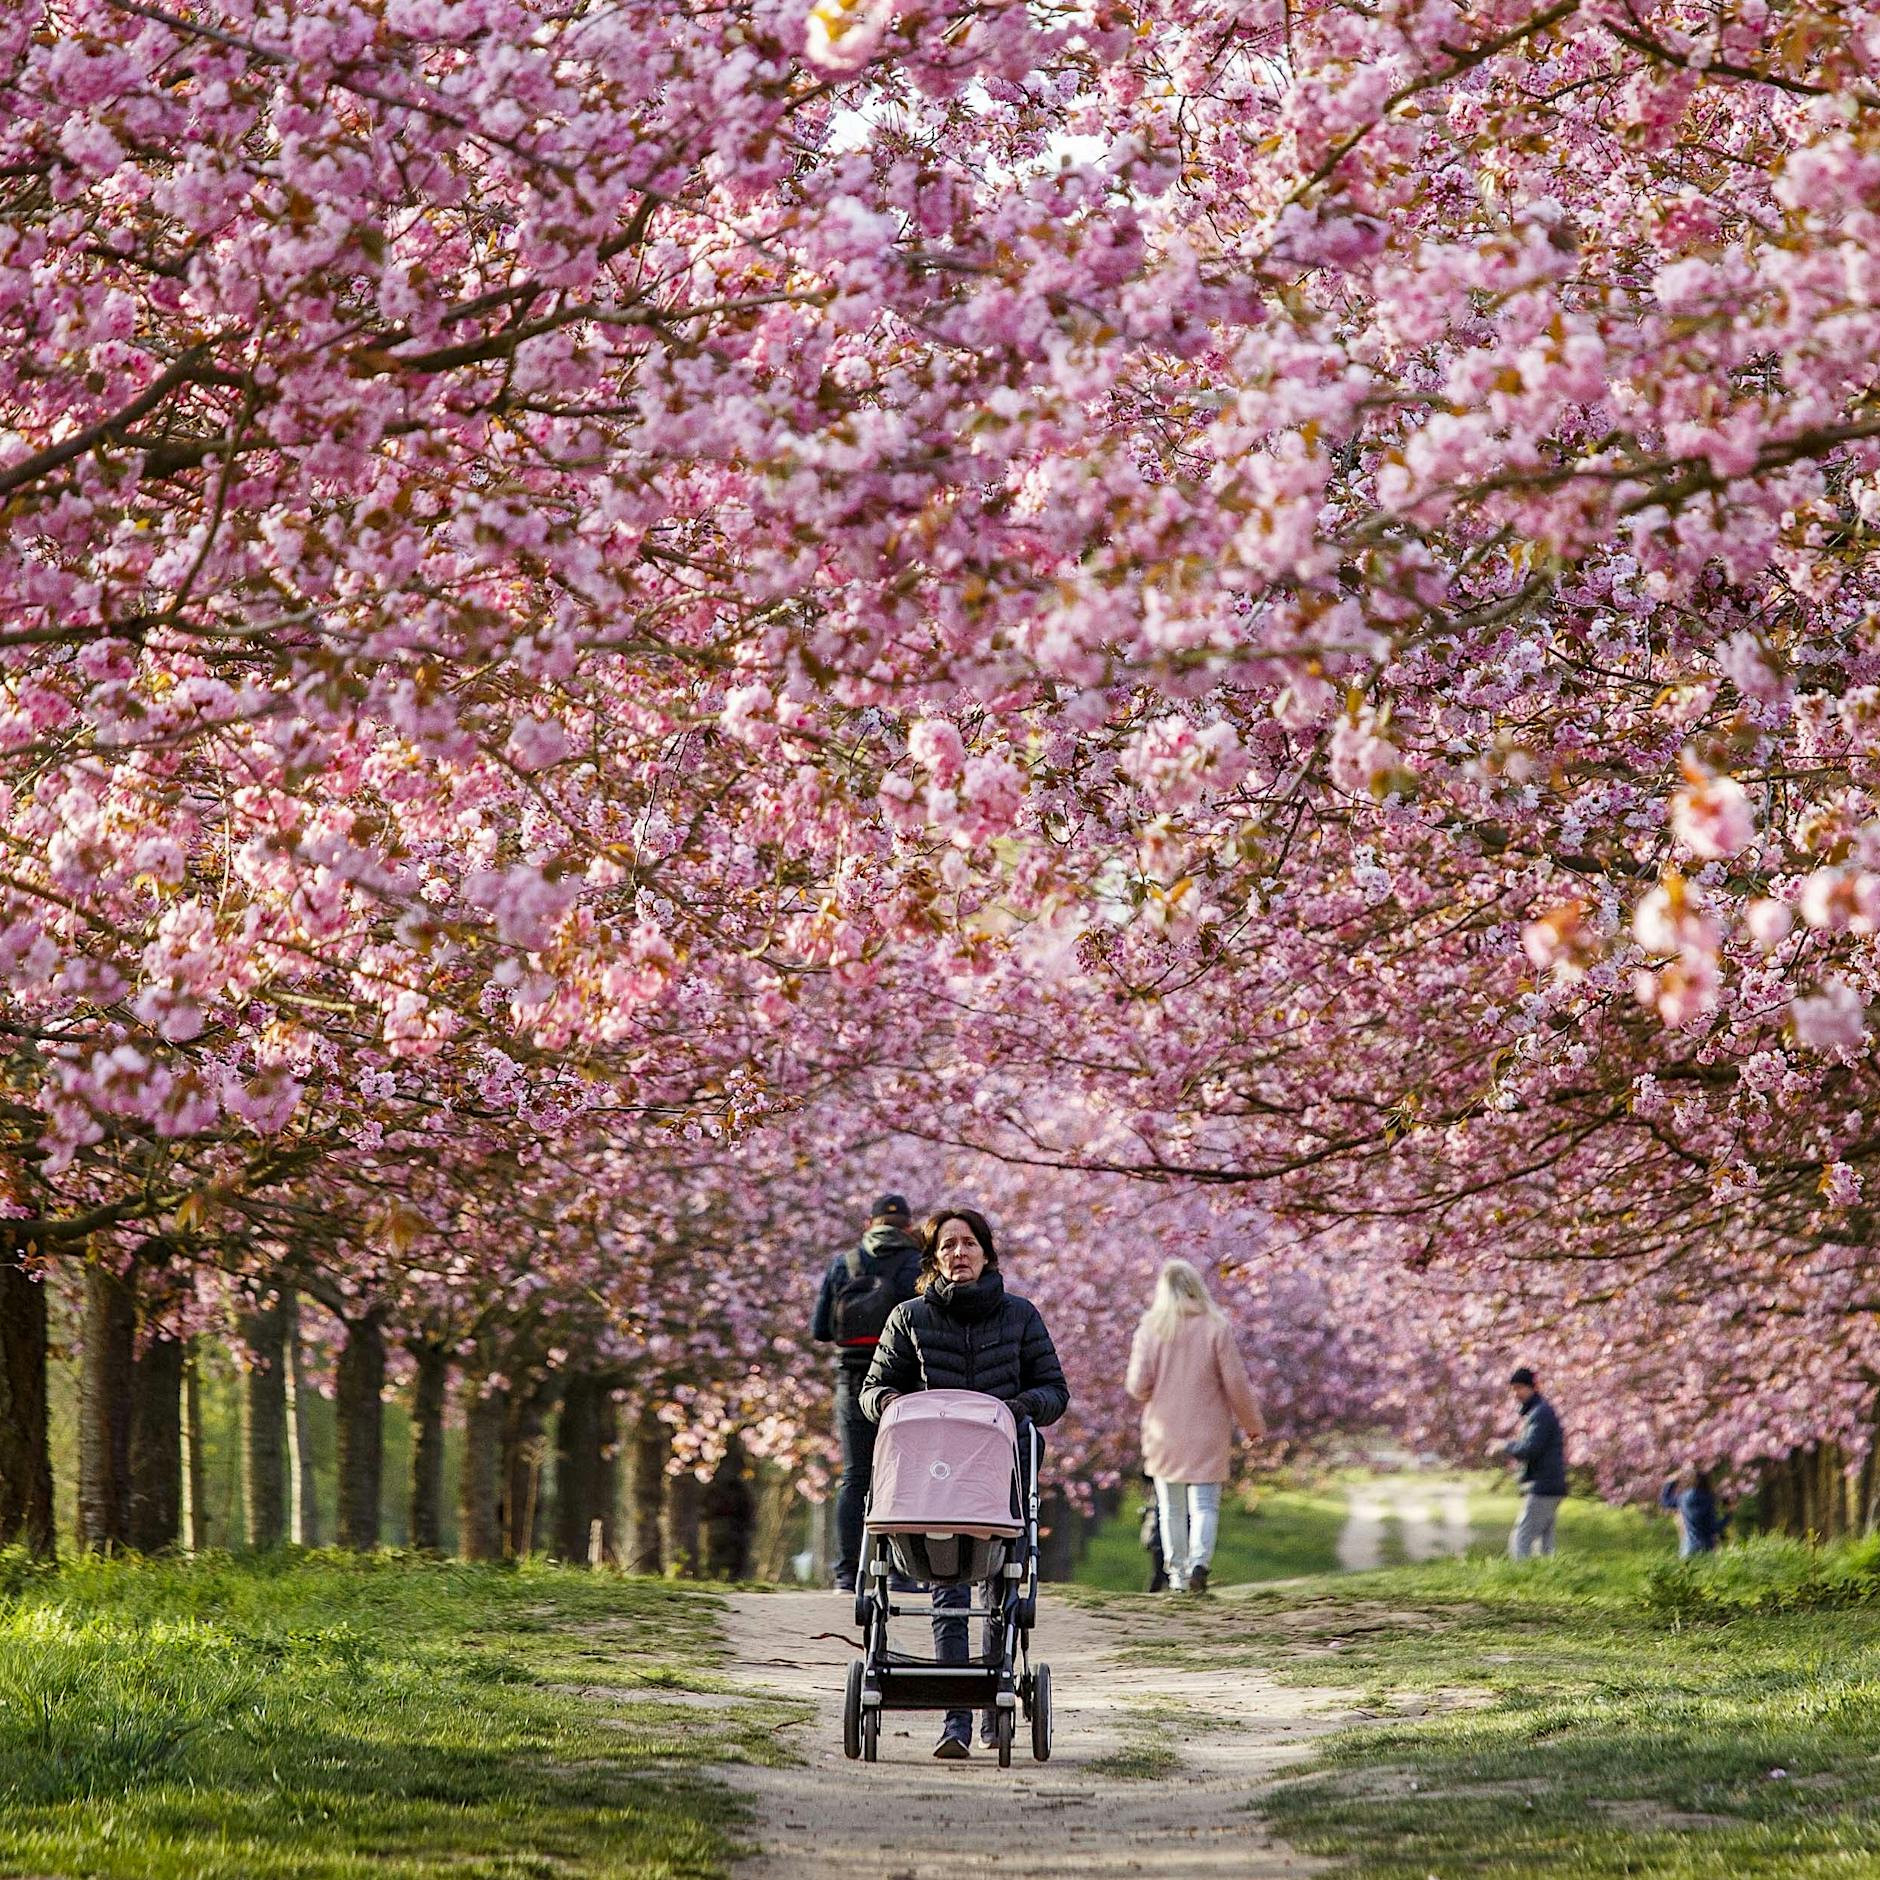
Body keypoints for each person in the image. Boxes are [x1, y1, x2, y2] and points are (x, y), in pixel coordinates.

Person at [861, 1207, 1069, 1760]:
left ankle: (992, 1705)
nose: (959, 1253)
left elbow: (1055, 1390)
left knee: (1000, 1589)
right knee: (947, 1589)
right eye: (948, 1245)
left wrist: (1020, 1407)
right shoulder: (909, 1318)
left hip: (1000, 1470)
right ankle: (955, 1721)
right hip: (933, 1473)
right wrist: (892, 1404)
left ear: (986, 1253)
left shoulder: (1020, 1317)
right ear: (933, 1258)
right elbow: (874, 1387)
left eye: (969, 1243)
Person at [1124, 1259, 1265, 1595]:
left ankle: (1176, 1575)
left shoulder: (1152, 1328)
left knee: (1170, 1507)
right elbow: (1236, 1382)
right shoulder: (1216, 1327)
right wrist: (1252, 1425)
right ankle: (1200, 1563)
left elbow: (1138, 1385)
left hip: (1164, 1431)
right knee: (1204, 1505)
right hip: (1207, 1430)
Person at [810, 1193, 923, 1593]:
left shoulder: (845, 1263)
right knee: (903, 1473)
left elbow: (821, 1329)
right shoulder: (918, 1264)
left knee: (856, 1474)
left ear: (869, 1224)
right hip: (904, 1381)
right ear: (909, 1227)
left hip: (853, 1377)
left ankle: (848, 1572)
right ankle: (901, 1571)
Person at [1493, 1365, 1567, 1558]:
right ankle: (1548, 1580)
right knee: (1545, 1543)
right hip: (1551, 1484)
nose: (1515, 1394)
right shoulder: (1539, 1412)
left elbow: (1531, 1449)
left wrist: (1506, 1446)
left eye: (1519, 1388)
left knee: (1521, 1538)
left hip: (1544, 1485)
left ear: (1532, 1387)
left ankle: (1522, 1581)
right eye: (1513, 1389)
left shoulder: (1540, 1414)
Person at [1660, 1467, 1726, 1557]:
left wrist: (1671, 1481)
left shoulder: (1683, 1499)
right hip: (1707, 1548)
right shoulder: (1709, 1499)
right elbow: (1714, 1528)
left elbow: (1665, 1501)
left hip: (1688, 1548)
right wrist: (1729, 1515)